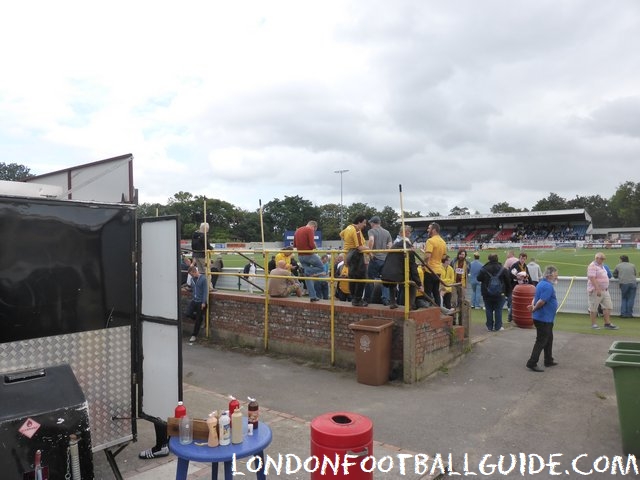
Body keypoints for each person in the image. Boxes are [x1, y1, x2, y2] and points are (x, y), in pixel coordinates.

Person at [526, 265, 560, 372]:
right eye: (555, 275)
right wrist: (534, 308)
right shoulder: (547, 286)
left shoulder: (541, 283)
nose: (556, 277)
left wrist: (532, 307)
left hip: (545, 318)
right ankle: (532, 362)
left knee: (549, 339)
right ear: (550, 275)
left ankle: (548, 359)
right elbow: (541, 301)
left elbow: (535, 298)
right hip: (543, 319)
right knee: (541, 341)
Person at [381, 225, 423, 310]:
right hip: (396, 275)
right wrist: (419, 284)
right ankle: (411, 305)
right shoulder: (408, 249)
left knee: (393, 281)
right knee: (411, 282)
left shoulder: (394, 246)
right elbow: (413, 267)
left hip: (386, 274)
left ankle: (393, 302)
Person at [340, 214, 370, 306]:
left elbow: (341, 234)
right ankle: (357, 299)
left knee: (352, 277)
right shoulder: (356, 230)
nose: (365, 225)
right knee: (362, 278)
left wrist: (348, 244)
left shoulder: (348, 227)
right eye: (364, 223)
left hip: (348, 255)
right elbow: (360, 247)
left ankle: (354, 298)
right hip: (355, 256)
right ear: (359, 222)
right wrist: (370, 251)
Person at [477, 253, 512, 332]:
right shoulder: (503, 269)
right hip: (500, 293)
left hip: (487, 292)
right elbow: (508, 282)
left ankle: (489, 326)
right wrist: (508, 293)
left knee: (488, 309)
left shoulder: (484, 268)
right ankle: (498, 326)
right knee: (498, 309)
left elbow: (478, 278)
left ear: (489, 259)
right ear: (497, 259)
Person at [293, 220, 325, 302]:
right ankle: (305, 270)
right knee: (321, 267)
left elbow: (294, 245)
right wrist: (315, 245)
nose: (314, 231)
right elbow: (311, 245)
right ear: (314, 226)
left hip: (300, 256)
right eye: (315, 230)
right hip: (309, 255)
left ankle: (313, 296)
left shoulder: (297, 230)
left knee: (308, 276)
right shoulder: (309, 230)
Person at [364, 216, 393, 306]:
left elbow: (371, 240)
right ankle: (386, 299)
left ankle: (367, 299)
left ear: (373, 223)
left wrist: (370, 252)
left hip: (375, 258)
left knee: (370, 279)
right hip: (385, 259)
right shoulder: (387, 232)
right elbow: (390, 245)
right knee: (385, 279)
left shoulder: (372, 231)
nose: (370, 225)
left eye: (370, 223)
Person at [587, 252, 619, 330]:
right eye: (601, 259)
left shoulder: (602, 266)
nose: (602, 260)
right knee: (593, 308)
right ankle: (594, 324)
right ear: (596, 258)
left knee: (608, 307)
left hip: (605, 290)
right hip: (595, 290)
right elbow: (592, 278)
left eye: (603, 259)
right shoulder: (592, 266)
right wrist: (597, 289)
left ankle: (607, 323)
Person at [423, 222, 447, 306]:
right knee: (436, 291)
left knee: (428, 292)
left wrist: (424, 264)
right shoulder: (443, 242)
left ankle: (428, 309)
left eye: (429, 228)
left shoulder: (430, 241)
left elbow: (427, 256)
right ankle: (438, 309)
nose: (427, 230)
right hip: (438, 270)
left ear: (433, 230)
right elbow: (444, 257)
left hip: (430, 269)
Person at [187, 265, 209, 343]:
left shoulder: (203, 279)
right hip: (194, 300)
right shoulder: (193, 279)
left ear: (195, 272)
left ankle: (194, 335)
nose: (191, 276)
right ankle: (199, 318)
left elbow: (205, 291)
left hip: (200, 302)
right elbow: (193, 288)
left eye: (192, 274)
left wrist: (203, 302)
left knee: (197, 321)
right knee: (188, 313)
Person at [508, 252, 531, 322]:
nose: (522, 260)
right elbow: (510, 274)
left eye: (524, 259)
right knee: (513, 301)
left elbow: (528, 276)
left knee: (519, 302)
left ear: (526, 259)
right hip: (515, 286)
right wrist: (517, 277)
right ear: (519, 258)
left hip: (523, 286)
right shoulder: (515, 265)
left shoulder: (525, 266)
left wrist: (532, 284)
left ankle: (518, 317)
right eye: (521, 258)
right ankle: (510, 317)